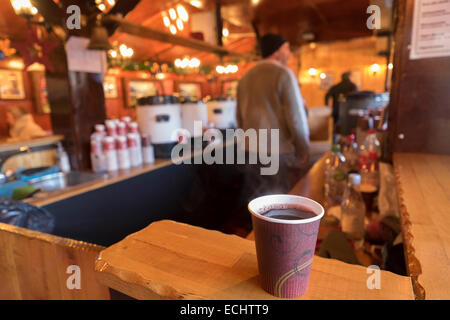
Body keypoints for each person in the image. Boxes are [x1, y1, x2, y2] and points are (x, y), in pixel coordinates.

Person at [236, 33, 310, 200]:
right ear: (276, 51)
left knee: (256, 201)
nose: (289, 53)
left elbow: (239, 118)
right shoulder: (283, 74)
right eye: (287, 48)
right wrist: (303, 147)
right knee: (278, 201)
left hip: (250, 150)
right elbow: (295, 117)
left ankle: (254, 227)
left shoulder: (244, 78)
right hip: (277, 151)